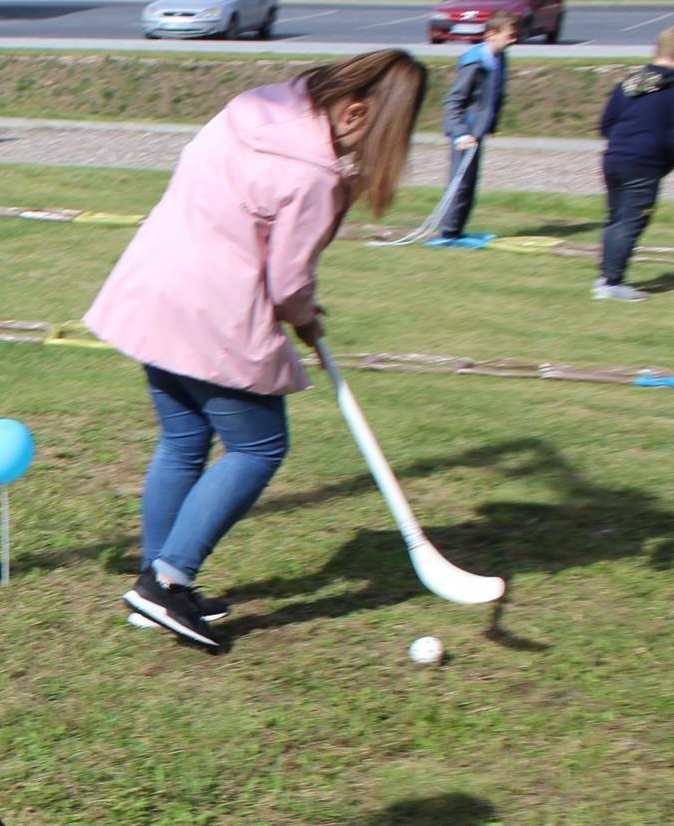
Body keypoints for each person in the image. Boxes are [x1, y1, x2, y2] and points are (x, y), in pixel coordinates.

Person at [84, 50, 428, 649]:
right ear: (354, 112)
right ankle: (165, 583)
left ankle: (153, 585)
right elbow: (287, 280)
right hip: (214, 312)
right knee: (260, 445)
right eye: (383, 135)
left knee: (184, 439)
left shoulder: (256, 107)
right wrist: (304, 316)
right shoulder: (317, 172)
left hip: (156, 285)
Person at [593, 25, 674, 303]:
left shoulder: (628, 84)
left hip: (614, 159)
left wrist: (624, 143)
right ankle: (612, 284)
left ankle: (606, 275)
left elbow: (606, 124)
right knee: (631, 222)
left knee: (616, 219)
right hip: (644, 164)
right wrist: (666, 158)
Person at [437, 11, 516, 242]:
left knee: (470, 184)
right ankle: (448, 232)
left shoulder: (499, 59)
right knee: (460, 184)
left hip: (478, 131)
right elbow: (454, 100)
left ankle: (458, 229)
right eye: (510, 35)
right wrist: (460, 133)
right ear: (491, 34)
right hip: (464, 132)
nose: (513, 40)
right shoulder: (474, 61)